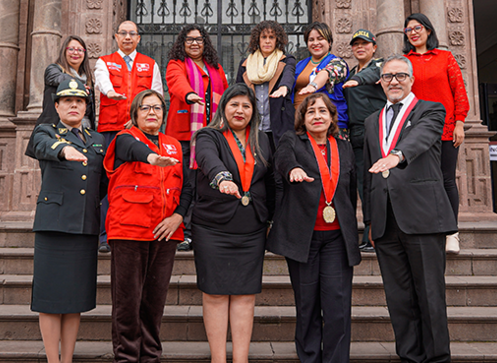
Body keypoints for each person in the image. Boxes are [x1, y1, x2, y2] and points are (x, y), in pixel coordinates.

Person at [363, 55, 457, 363]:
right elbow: (368, 174)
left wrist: (398, 155)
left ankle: (437, 358)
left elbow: (421, 138)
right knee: (398, 298)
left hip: (423, 218)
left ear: (411, 79)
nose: (394, 81)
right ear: (380, 82)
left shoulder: (430, 110)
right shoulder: (371, 120)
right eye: (388, 76)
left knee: (430, 295)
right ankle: (410, 357)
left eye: (400, 76)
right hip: (386, 222)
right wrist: (370, 221)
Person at [267, 93, 361, 363]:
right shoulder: (292, 141)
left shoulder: (343, 146)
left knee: (337, 306)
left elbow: (351, 189)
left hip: (336, 239)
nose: (317, 116)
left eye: (323, 111)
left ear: (332, 117)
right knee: (307, 304)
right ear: (303, 119)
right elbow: (282, 160)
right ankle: (309, 357)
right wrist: (293, 169)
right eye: (311, 112)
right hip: (302, 239)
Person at [103, 89, 192, 363]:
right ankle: (127, 357)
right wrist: (152, 158)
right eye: (145, 108)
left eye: (157, 108)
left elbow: (187, 187)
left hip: (165, 235)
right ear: (134, 115)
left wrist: (179, 216)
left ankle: (151, 356)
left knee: (154, 303)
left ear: (164, 114)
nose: (152, 112)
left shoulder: (174, 145)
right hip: (129, 231)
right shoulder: (124, 139)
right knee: (127, 302)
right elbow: (134, 150)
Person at [192, 83, 275, 363]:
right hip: (213, 227)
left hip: (251, 228)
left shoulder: (263, 140)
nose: (240, 110)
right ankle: (218, 359)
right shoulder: (208, 135)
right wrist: (222, 178)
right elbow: (207, 159)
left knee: (245, 295)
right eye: (234, 104)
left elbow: (272, 181)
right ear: (223, 108)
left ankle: (241, 359)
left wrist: (272, 217)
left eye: (246, 106)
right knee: (215, 295)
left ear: (253, 111)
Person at [29, 78, 106, 363]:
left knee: (75, 301)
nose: (74, 105)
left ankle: (68, 358)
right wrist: (63, 150)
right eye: (68, 101)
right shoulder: (45, 132)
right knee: (50, 301)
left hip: (85, 226)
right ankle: (53, 360)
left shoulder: (97, 140)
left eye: (80, 101)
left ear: (86, 107)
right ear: (57, 106)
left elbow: (104, 183)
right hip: (54, 226)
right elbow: (42, 146)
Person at [95, 20, 164, 252]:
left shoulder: (150, 63)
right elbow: (102, 83)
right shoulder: (104, 62)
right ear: (116, 37)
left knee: (142, 179)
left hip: (140, 131)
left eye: (131, 34)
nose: (127, 37)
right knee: (108, 181)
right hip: (110, 129)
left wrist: (140, 120)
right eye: (123, 33)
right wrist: (111, 92)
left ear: (138, 38)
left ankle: (141, 229)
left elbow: (157, 95)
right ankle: (106, 235)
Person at [403, 13, 469, 254]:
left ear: (428, 31)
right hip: (415, 132)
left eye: (417, 27)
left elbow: (459, 92)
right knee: (418, 181)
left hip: (446, 129)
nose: (413, 32)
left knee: (446, 179)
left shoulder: (445, 57)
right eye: (408, 29)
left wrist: (460, 123)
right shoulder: (404, 61)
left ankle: (452, 233)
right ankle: (426, 228)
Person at [165, 24, 228, 251]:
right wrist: (190, 94)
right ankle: (183, 231)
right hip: (183, 135)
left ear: (205, 43)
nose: (194, 43)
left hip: (210, 135)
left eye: (199, 39)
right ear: (183, 43)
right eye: (189, 39)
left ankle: (200, 230)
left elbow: (226, 96)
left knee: (205, 183)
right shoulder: (176, 64)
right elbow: (176, 83)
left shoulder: (216, 68)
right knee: (185, 183)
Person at [342, 29, 387, 253]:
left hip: (376, 134)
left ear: (374, 47)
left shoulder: (380, 66)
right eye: (356, 44)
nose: (360, 47)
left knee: (377, 184)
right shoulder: (351, 71)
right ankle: (369, 231)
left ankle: (377, 233)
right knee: (362, 185)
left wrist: (356, 81)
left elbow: (371, 76)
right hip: (356, 135)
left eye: (365, 44)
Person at [25, 35, 95, 158]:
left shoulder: (88, 78)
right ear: (64, 51)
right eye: (71, 49)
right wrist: (78, 86)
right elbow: (57, 78)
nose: (76, 53)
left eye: (80, 50)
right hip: (56, 130)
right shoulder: (54, 69)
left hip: (83, 130)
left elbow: (89, 109)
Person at [236, 20, 296, 148]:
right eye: (264, 37)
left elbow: (289, 74)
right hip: (253, 126)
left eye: (271, 37)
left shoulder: (286, 59)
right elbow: (237, 91)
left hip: (279, 124)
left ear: (277, 40)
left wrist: (284, 87)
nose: (267, 41)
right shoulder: (245, 63)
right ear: (257, 40)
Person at [294, 22, 349, 135]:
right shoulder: (300, 64)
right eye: (311, 40)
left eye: (320, 39)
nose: (315, 43)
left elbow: (326, 73)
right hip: (302, 124)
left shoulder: (338, 63)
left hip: (330, 125)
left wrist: (313, 86)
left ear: (329, 42)